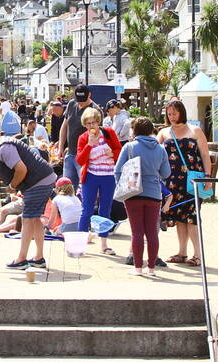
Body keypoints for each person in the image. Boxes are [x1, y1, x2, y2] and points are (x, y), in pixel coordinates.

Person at [0, 131, 57, 270]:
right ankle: (38, 258)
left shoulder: (4, 148)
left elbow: (21, 169)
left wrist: (12, 186)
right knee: (35, 219)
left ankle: (21, 259)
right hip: (43, 180)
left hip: (39, 181)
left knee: (27, 219)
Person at [114, 116, 172, 276]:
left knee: (136, 232)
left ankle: (138, 268)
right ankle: (152, 268)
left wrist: (122, 184)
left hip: (133, 193)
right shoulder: (161, 149)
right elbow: (166, 173)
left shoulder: (129, 147)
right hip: (154, 193)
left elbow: (117, 170)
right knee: (152, 232)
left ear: (135, 131)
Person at [159, 98, 213, 266]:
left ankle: (198, 254)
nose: (172, 116)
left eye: (175, 112)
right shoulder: (164, 132)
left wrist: (208, 177)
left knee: (191, 217)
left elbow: (205, 154)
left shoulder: (195, 130)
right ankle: (182, 252)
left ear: (182, 112)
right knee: (179, 217)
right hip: (172, 180)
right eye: (169, 113)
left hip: (192, 180)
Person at [75, 106, 122, 243]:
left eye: (94, 122)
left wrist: (112, 154)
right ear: (85, 125)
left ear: (98, 122)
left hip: (108, 176)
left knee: (105, 209)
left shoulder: (109, 133)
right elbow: (80, 160)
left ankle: (103, 243)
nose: (91, 126)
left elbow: (119, 150)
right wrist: (89, 145)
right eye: (88, 123)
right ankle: (81, 241)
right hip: (91, 176)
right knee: (87, 209)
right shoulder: (83, 138)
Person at [57, 84, 96, 188]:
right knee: (66, 188)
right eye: (79, 99)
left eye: (83, 99)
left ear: (89, 95)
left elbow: (96, 135)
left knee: (85, 188)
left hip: (85, 157)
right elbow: (64, 126)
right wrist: (60, 147)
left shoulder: (95, 110)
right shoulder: (71, 104)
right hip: (70, 153)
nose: (81, 102)